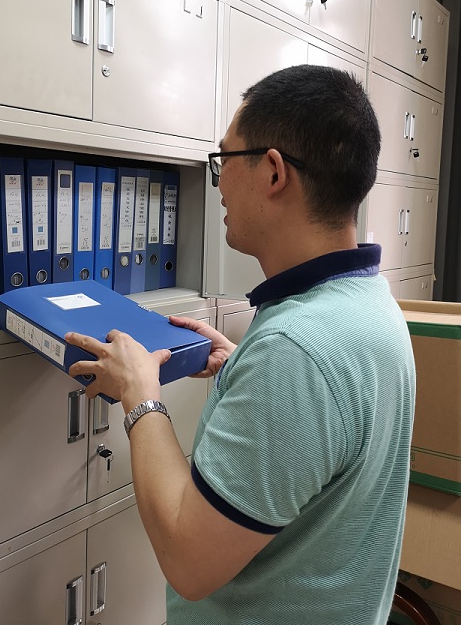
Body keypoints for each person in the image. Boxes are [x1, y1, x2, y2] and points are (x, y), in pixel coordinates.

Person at [65, 64, 416, 625]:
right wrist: (245, 366)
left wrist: (140, 397)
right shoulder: (370, 303)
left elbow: (189, 561)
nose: (219, 183)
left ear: (273, 172)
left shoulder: (295, 354)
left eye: (224, 160)